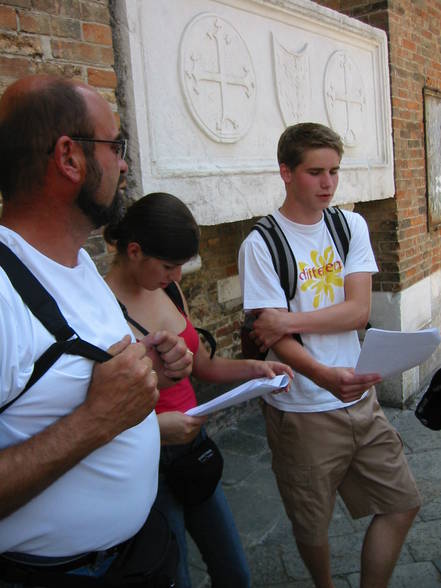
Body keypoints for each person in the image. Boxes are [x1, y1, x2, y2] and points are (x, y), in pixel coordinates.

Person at [0, 75, 193, 586]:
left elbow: (72, 380)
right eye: (116, 145)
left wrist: (150, 362)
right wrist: (95, 420)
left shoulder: (80, 263)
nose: (124, 163)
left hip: (139, 554)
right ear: (69, 158)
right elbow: (97, 410)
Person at [238, 122, 421, 588]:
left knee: (403, 503)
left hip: (360, 398)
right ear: (286, 172)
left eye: (334, 172)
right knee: (311, 524)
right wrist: (320, 373)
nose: (328, 184)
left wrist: (290, 319)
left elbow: (358, 312)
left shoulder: (348, 225)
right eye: (315, 172)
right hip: (302, 409)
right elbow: (270, 337)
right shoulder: (262, 244)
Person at [103, 192, 293, 588]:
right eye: (169, 266)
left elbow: (202, 366)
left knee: (235, 571)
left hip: (193, 446)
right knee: (176, 575)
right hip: (146, 457)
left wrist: (255, 369)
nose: (177, 277)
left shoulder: (170, 290)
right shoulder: (100, 308)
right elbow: (98, 411)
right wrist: (157, 426)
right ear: (134, 251)